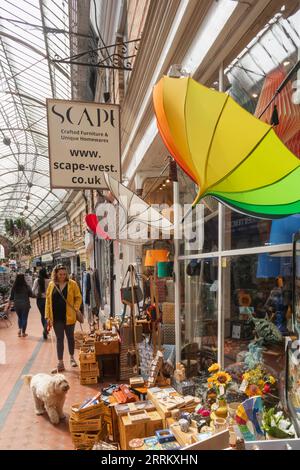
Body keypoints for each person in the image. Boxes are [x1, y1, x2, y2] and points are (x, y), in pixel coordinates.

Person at [45, 264, 82, 373]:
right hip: (56, 317)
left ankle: (71, 358)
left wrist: (75, 308)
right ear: (56, 274)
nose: (62, 276)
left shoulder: (72, 284)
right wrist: (48, 316)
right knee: (59, 339)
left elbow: (78, 297)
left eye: (65, 274)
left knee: (70, 337)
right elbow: (48, 300)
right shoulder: (51, 285)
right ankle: (60, 362)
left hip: (69, 316)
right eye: (60, 274)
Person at [32, 268, 50, 340]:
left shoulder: (37, 280)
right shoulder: (49, 281)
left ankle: (45, 329)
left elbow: (33, 290)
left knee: (43, 315)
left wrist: (37, 294)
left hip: (39, 300)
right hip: (48, 300)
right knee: (47, 316)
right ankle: (45, 329)